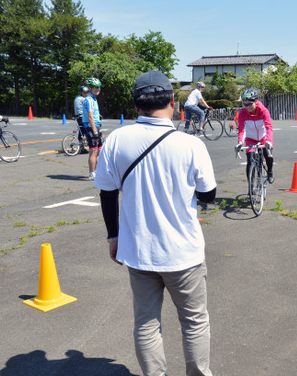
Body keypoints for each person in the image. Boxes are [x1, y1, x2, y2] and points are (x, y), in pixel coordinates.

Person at [94, 70, 216, 376]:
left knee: (147, 324)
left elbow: (107, 194)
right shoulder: (190, 144)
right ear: (173, 103)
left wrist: (113, 238)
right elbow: (209, 195)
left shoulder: (117, 140)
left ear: (136, 106)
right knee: (194, 321)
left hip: (139, 252)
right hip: (183, 254)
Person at [236, 89, 274, 183]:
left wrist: (269, 140)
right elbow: (241, 129)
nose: (247, 107)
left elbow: (268, 127)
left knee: (268, 156)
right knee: (250, 161)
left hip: (264, 138)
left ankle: (270, 172)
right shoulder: (242, 114)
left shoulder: (264, 111)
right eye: (245, 104)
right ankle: (251, 185)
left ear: (256, 101)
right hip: (250, 139)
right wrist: (240, 142)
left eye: (250, 104)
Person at [83, 78, 103, 180]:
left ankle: (96, 171)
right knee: (93, 151)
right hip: (91, 128)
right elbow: (90, 117)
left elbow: (93, 114)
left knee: (99, 150)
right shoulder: (89, 100)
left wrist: (98, 116)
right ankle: (92, 174)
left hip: (96, 126)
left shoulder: (93, 99)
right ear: (90, 88)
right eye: (95, 87)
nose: (98, 89)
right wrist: (95, 131)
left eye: (99, 87)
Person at [74, 86, 90, 153]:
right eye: (85, 92)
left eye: (87, 92)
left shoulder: (77, 98)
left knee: (82, 132)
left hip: (78, 117)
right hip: (83, 117)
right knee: (89, 130)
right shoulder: (83, 99)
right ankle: (89, 143)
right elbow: (89, 108)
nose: (86, 94)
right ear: (81, 92)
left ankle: (81, 147)